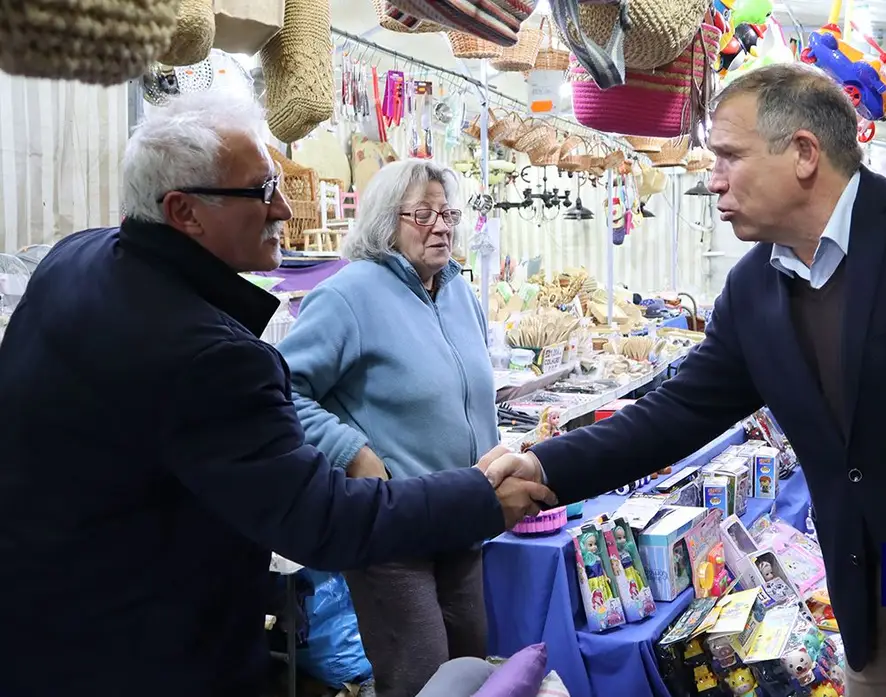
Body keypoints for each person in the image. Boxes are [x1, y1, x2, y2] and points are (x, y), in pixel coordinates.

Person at [481, 63, 886, 697]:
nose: (711, 180)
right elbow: (673, 412)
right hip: (872, 607)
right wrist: (541, 466)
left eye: (728, 156)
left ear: (804, 152)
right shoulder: (753, 290)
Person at [0, 91, 554, 697]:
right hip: (140, 649)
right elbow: (319, 520)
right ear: (184, 211)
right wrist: (475, 494)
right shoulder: (212, 356)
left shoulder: (77, 256)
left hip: (44, 616)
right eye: (263, 190)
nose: (286, 208)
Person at [279, 160, 499, 695]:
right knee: (419, 676)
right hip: (391, 525)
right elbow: (282, 390)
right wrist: (352, 451)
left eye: (447, 212)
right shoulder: (347, 295)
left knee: (470, 668)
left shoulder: (458, 292)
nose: (442, 226)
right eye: (423, 214)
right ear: (385, 222)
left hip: (462, 513)